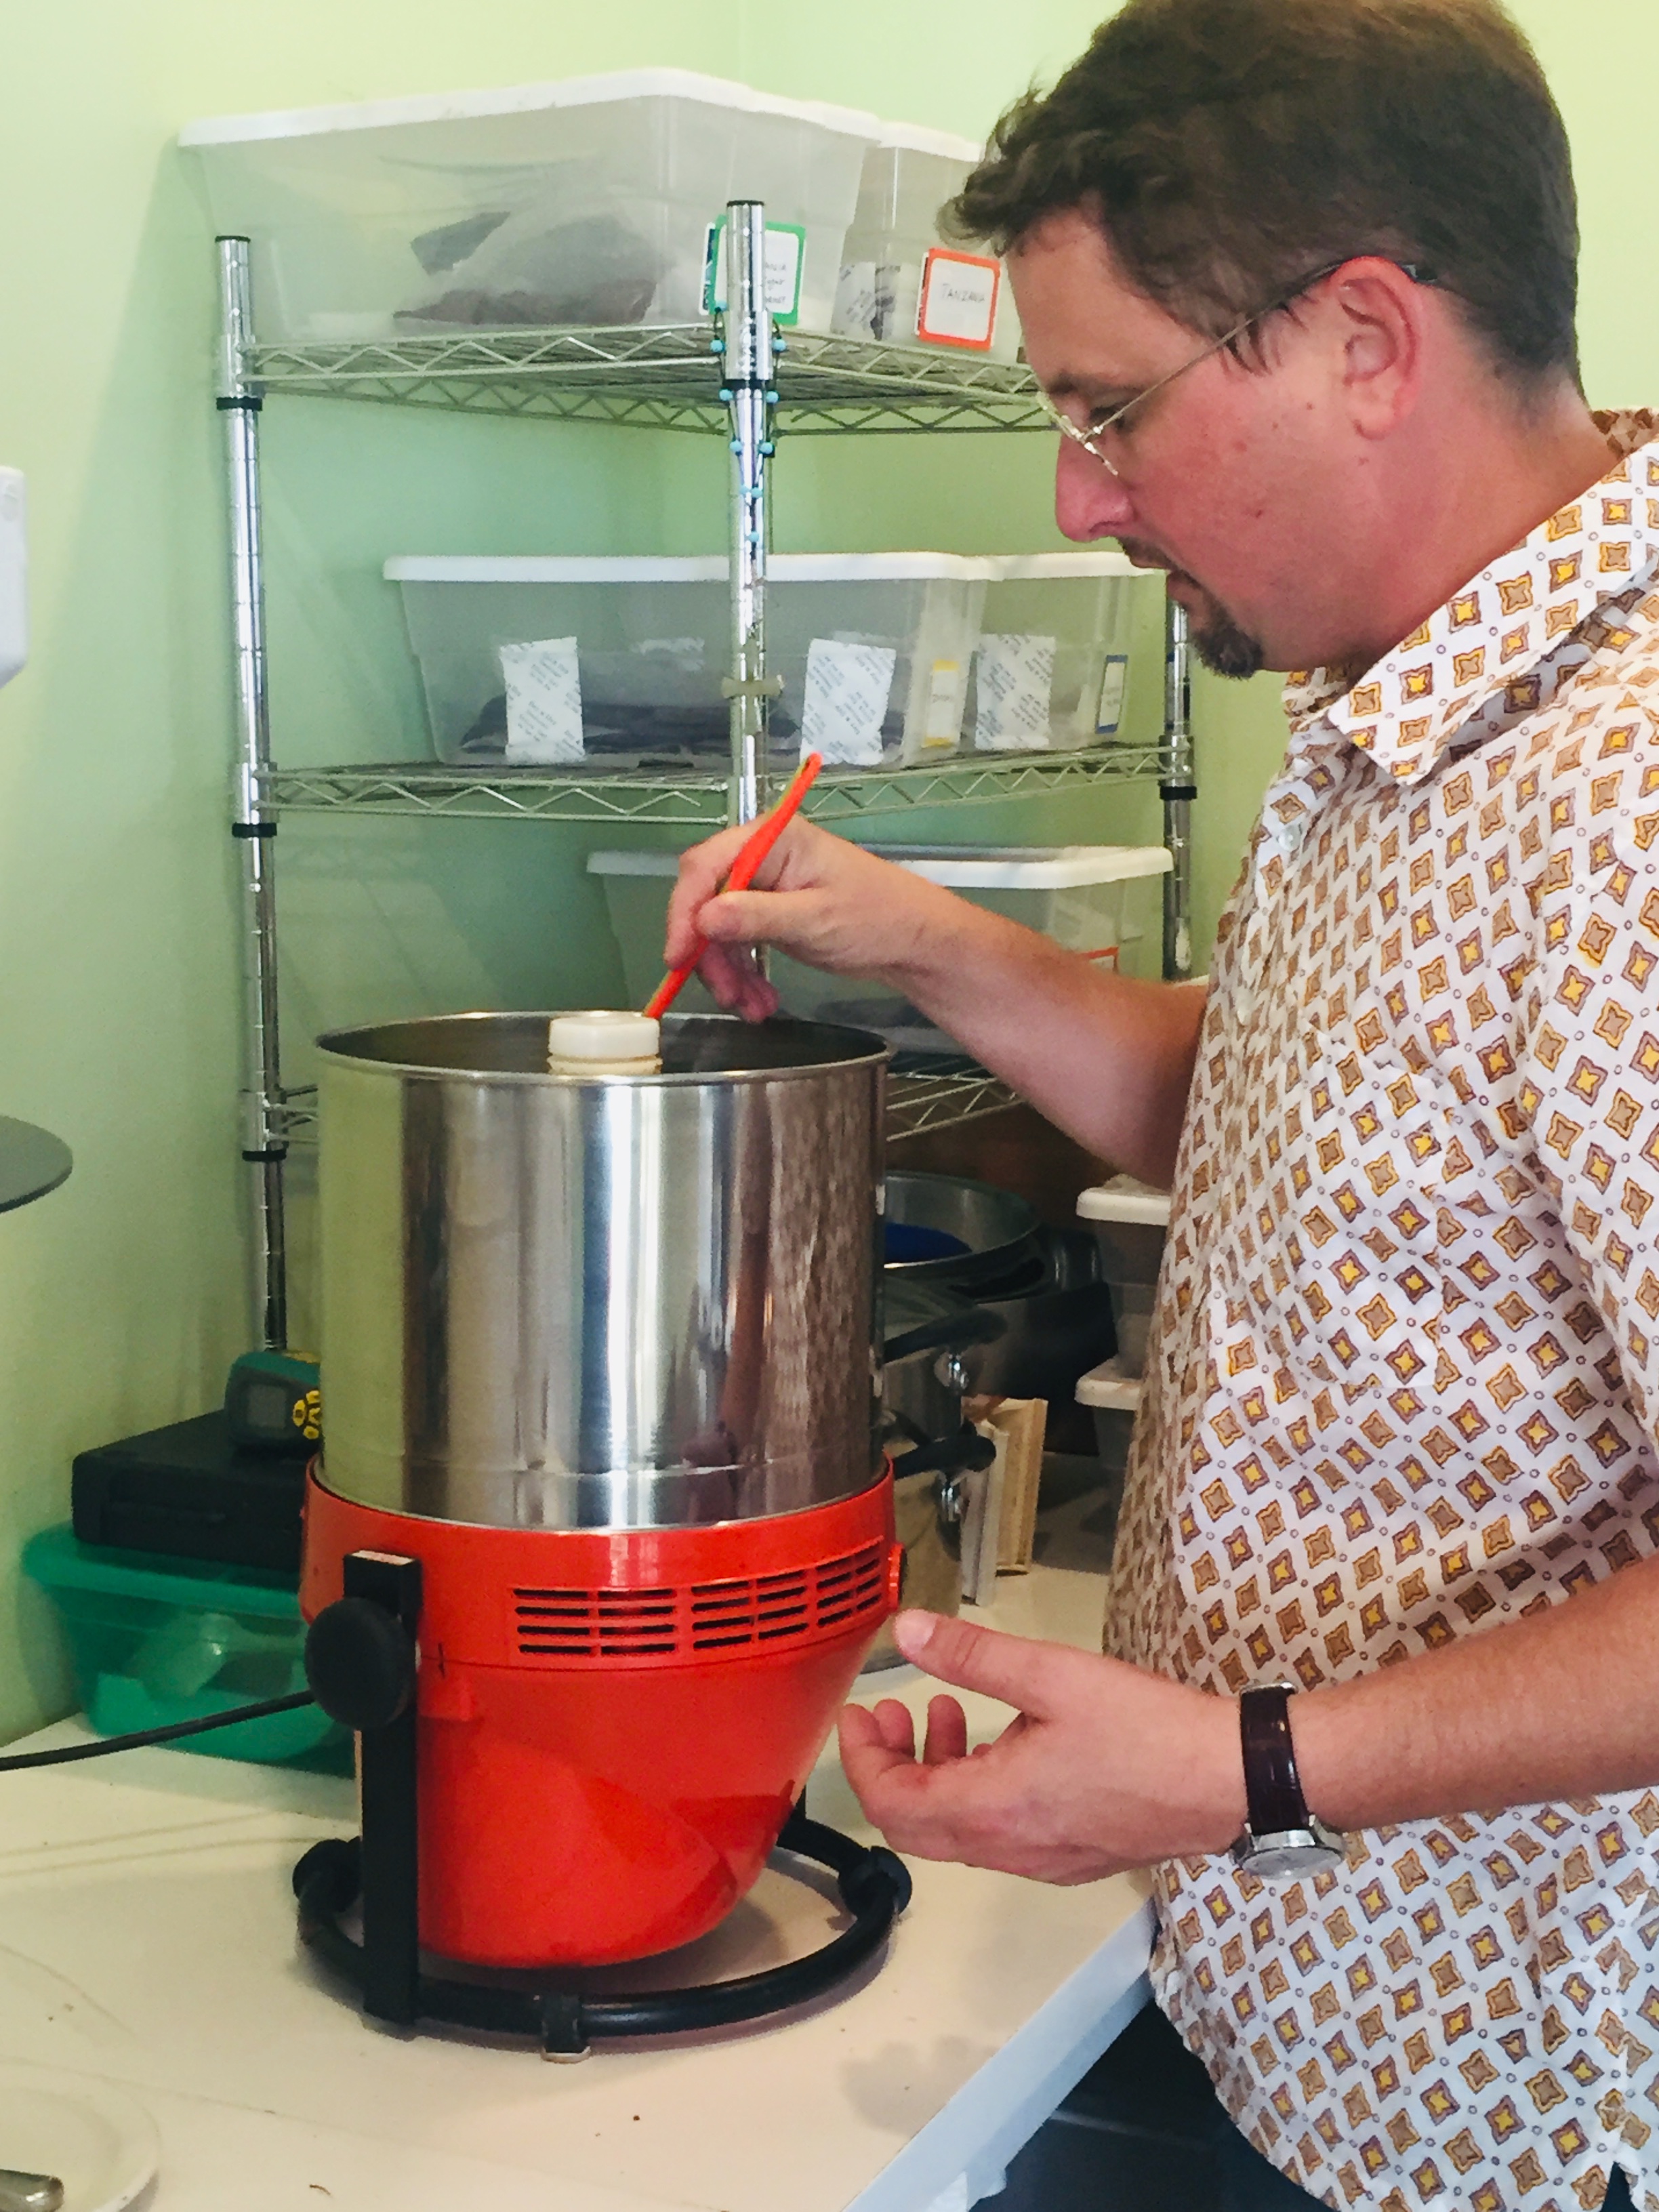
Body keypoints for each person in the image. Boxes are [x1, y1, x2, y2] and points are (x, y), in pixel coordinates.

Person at [666, 3, 1659, 2207]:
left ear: (1368, 340)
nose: (1079, 495)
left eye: (1112, 410)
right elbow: (1295, 1121)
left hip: (1508, 2117)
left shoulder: (1629, 800)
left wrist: (1245, 1768)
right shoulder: (1405, 692)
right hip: (1277, 2000)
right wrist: (924, 941)